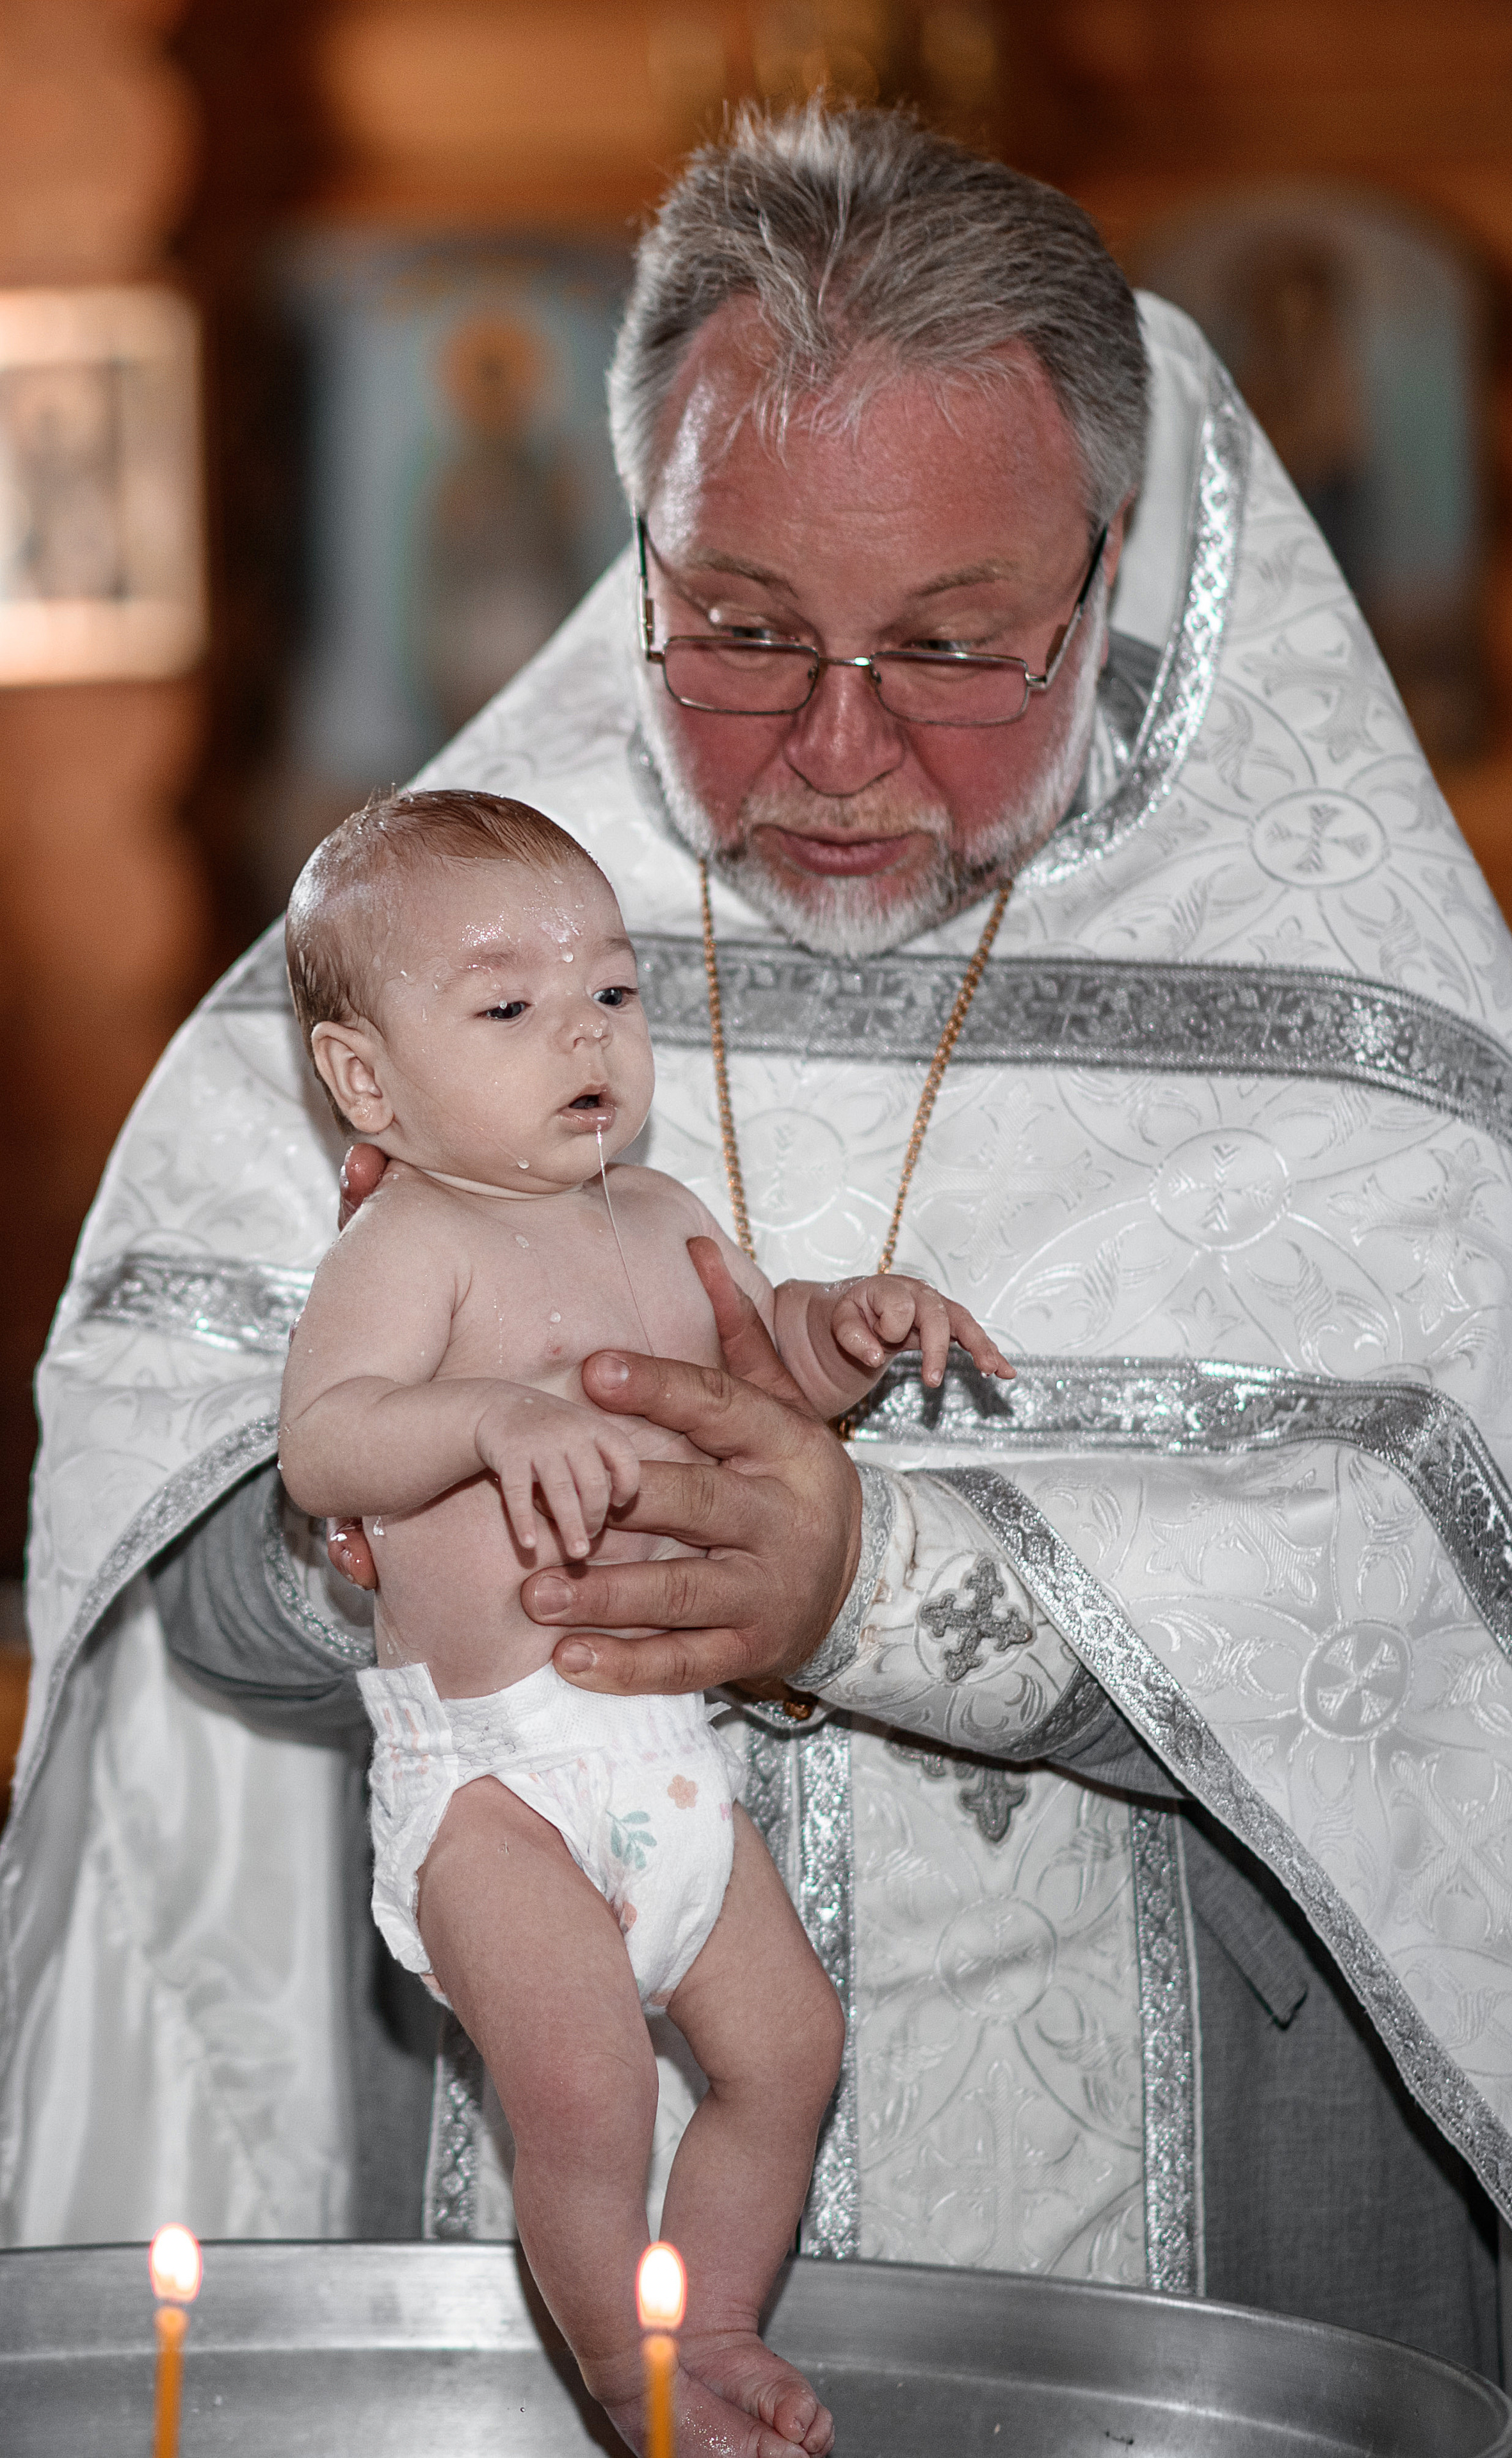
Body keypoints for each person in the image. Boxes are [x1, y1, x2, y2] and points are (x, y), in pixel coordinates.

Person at [5, 99, 1512, 2457]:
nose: (840, 751)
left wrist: (869, 1587)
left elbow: (1486, 1687)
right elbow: (177, 1585)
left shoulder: (1373, 1073)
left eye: (956, 648)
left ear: (1107, 570)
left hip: (1161, 2286)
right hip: (510, 2245)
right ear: (643, 549)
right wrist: (370, 1536)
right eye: (747, 632)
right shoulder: (436, 962)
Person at [278, 784, 1006, 2457]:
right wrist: (489, 1417)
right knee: (588, 2086)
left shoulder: (665, 1216)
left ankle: (719, 2321)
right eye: (509, 1008)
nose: (584, 1033)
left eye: (611, 988)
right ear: (366, 1082)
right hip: (492, 1785)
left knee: (790, 2051)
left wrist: (844, 1328)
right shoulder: (412, 1241)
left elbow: (760, 1374)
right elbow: (324, 1444)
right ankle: (629, 2375)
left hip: (666, 1765)